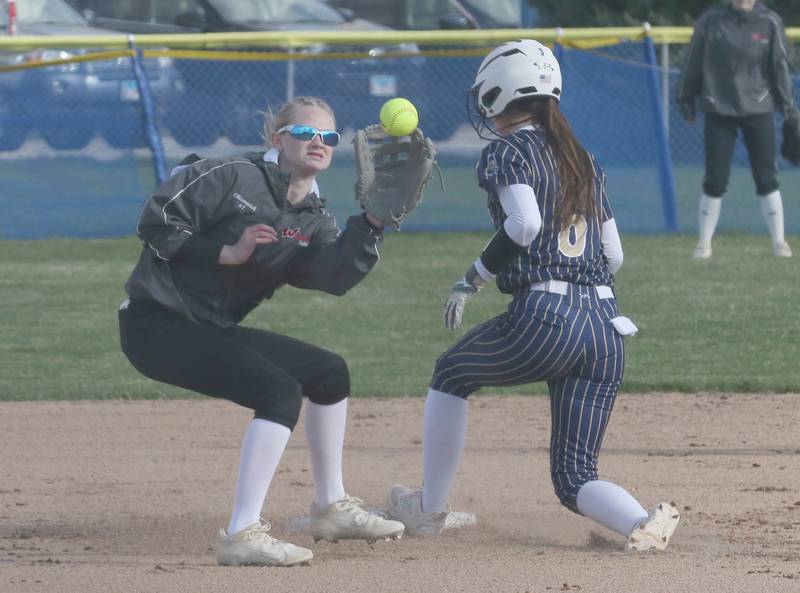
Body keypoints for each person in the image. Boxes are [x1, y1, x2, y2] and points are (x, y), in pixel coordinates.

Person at [385, 40, 681, 551]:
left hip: (549, 316)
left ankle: (429, 508)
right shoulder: (582, 157)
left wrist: (471, 279)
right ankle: (641, 522)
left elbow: (525, 224)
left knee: (451, 373)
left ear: (499, 94)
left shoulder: (508, 149)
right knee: (574, 477)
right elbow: (614, 255)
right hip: (607, 327)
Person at [118, 96, 404, 567]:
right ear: (278, 139)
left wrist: (371, 224)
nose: (319, 142)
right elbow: (156, 219)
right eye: (306, 133)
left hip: (209, 327)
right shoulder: (232, 174)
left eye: (329, 138)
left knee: (329, 373)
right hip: (156, 323)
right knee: (278, 393)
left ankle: (331, 507)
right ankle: (241, 532)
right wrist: (224, 252)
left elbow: (333, 276)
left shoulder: (312, 217)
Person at [677, 0, 795, 259]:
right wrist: (686, 96)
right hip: (719, 107)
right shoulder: (711, 21)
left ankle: (779, 242)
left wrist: (788, 107)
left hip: (759, 108)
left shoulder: (769, 21)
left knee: (767, 177)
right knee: (715, 179)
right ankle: (704, 243)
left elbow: (779, 66)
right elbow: (693, 60)